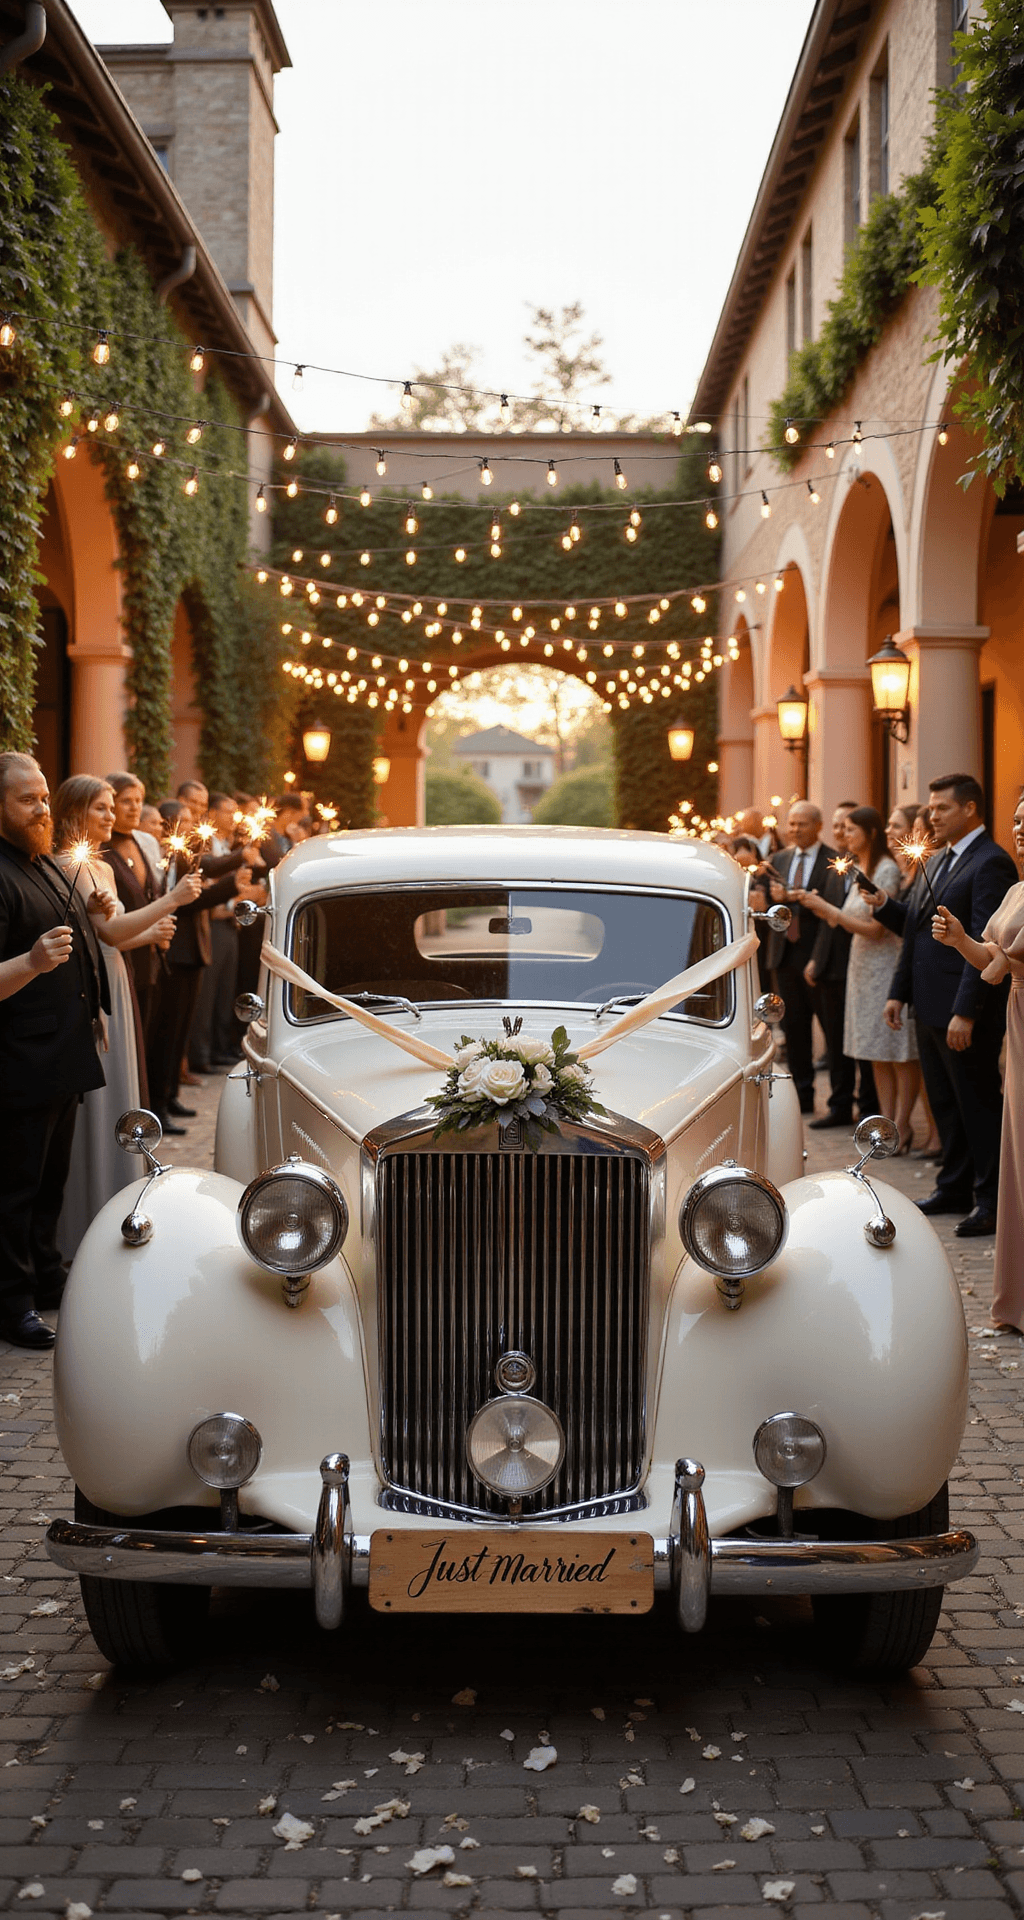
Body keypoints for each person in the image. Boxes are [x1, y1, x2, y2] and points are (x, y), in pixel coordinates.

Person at [51, 778, 202, 1256]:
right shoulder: (65, 866)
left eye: (112, 808)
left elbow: (114, 938)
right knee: (99, 1101)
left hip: (116, 977)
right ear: (74, 813)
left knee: (122, 1090)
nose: (111, 816)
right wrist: (172, 901)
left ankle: (116, 1198)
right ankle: (83, 1217)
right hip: (97, 989)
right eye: (101, 808)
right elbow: (109, 933)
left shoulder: (102, 868)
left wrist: (149, 932)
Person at [0, 754, 107, 1348]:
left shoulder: (42, 862)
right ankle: (11, 1303)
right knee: (14, 1188)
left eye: (43, 796)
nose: (43, 809)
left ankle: (45, 1276)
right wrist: (32, 962)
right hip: (17, 1062)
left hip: (61, 1054)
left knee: (49, 1182)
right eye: (27, 800)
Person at [884, 772, 1016, 1236]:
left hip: (963, 1008)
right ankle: (954, 1185)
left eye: (941, 808)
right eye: (930, 807)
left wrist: (967, 1010)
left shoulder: (990, 863)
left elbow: (984, 943)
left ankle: (990, 1199)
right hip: (927, 1003)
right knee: (944, 1102)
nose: (931, 816)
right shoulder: (937, 860)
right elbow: (917, 935)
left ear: (970, 809)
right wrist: (899, 991)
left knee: (976, 1102)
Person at [932, 790, 1024, 1328]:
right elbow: (992, 960)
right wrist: (962, 938)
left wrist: (992, 957)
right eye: (1015, 821)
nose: (1019, 830)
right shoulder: (1015, 889)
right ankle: (1015, 1299)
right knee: (1016, 1152)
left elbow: (1004, 961)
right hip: (1016, 1019)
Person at [797, 805, 918, 1145]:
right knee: (872, 1050)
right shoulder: (856, 869)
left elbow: (876, 928)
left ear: (871, 833)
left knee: (894, 1049)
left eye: (851, 830)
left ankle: (902, 1123)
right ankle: (885, 1121)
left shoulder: (886, 870)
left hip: (883, 963)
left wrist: (827, 910)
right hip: (861, 965)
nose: (844, 836)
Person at [766, 801, 836, 1114]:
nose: (794, 829)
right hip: (785, 955)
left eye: (802, 824)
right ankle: (802, 1099)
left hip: (819, 956)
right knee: (794, 1030)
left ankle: (839, 1101)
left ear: (818, 826)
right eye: (791, 824)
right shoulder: (779, 859)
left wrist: (791, 896)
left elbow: (830, 909)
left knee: (830, 1029)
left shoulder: (833, 860)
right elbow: (769, 901)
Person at [103, 771, 166, 1041]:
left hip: (151, 956)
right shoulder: (102, 848)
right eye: (127, 800)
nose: (135, 807)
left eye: (139, 800)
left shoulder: (143, 843)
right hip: (123, 954)